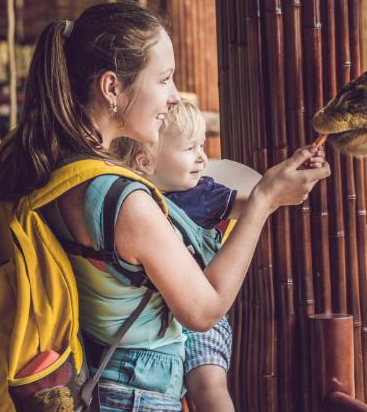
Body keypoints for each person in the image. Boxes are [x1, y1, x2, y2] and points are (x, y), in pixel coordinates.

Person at [0, 0, 329, 411]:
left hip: (100, 379)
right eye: (164, 79)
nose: (173, 97)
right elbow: (203, 309)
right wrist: (263, 200)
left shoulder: (48, 165)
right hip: (140, 393)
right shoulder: (123, 200)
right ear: (112, 86)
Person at [111, 100, 271, 411]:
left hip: (201, 313)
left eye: (202, 146)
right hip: (160, 319)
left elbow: (250, 204)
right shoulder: (133, 199)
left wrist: (272, 192)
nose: (202, 158)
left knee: (207, 385)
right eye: (189, 149)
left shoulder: (205, 193)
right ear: (145, 163)